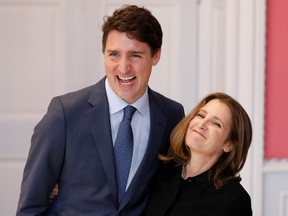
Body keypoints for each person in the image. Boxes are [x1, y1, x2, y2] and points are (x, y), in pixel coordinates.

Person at [16, 5, 184, 216]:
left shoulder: (171, 115)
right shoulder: (65, 113)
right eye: (114, 54)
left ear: (156, 56)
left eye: (135, 55)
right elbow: (30, 207)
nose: (123, 68)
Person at [144, 92, 253, 216]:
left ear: (229, 145)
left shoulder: (234, 200)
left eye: (216, 124)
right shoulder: (161, 170)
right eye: (201, 115)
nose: (202, 124)